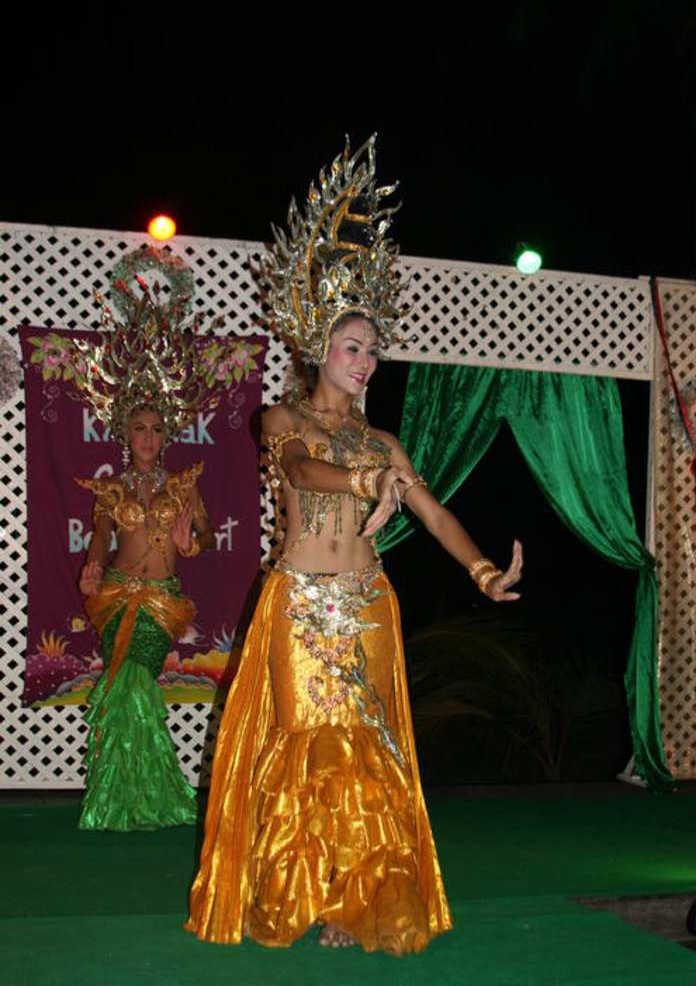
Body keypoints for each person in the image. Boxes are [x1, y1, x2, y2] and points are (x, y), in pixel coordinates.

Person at [186, 137, 522, 955]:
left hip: (368, 604)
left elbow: (433, 513)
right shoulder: (283, 420)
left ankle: (348, 900)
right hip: (301, 606)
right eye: (352, 347)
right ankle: (295, 890)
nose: (366, 361)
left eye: (373, 349)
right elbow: (302, 472)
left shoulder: (384, 439)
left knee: (365, 754)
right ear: (319, 348)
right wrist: (366, 483)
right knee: (307, 747)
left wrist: (480, 569)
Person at [69, 247, 221, 831]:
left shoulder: (185, 485)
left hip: (161, 601)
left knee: (136, 680)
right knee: (122, 685)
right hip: (116, 596)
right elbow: (101, 539)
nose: (149, 437)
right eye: (139, 428)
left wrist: (193, 543)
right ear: (125, 434)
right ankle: (118, 799)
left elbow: (206, 536)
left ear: (167, 435)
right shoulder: (111, 489)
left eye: (157, 429)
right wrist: (91, 567)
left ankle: (149, 796)